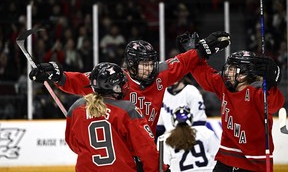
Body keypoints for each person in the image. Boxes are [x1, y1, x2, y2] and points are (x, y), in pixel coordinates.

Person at [29, 31, 231, 138]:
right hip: (123, 147)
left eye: (151, 63)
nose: (149, 68)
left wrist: (204, 49)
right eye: (143, 65)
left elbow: (184, 61)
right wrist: (58, 76)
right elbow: (81, 82)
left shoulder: (160, 74)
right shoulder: (116, 79)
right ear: (131, 65)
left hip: (147, 145)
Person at [176, 32, 284, 171]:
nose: (227, 72)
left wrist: (271, 82)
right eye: (228, 68)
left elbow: (276, 104)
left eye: (232, 69)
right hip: (226, 157)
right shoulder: (224, 84)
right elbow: (204, 75)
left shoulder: (258, 93)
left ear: (244, 73)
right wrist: (193, 54)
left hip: (254, 163)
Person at [65, 62, 165, 172]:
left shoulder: (76, 108)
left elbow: (74, 145)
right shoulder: (126, 109)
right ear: (115, 86)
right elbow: (146, 148)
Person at [158, 106, 219, 172]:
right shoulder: (205, 132)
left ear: (173, 120)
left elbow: (164, 165)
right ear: (191, 119)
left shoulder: (164, 138)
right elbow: (217, 156)